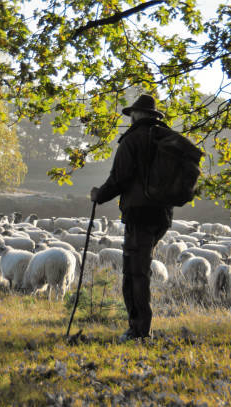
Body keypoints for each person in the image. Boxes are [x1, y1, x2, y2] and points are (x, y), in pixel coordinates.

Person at [90, 94, 173, 342]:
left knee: (135, 273)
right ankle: (139, 327)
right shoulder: (164, 138)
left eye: (132, 115)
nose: (131, 118)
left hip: (139, 214)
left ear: (136, 115)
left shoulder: (133, 140)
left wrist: (99, 195)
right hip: (162, 215)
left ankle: (139, 330)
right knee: (140, 269)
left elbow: (120, 178)